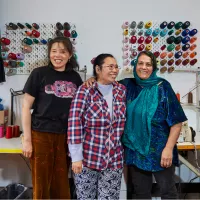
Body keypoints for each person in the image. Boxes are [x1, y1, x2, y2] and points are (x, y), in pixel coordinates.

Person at [85, 51, 187, 199]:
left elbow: (176, 122)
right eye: (140, 63)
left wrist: (168, 149)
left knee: (168, 192)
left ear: (153, 67)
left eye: (148, 64)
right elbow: (105, 82)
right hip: (135, 151)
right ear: (135, 65)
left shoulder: (163, 87)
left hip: (160, 151)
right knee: (140, 193)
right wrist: (93, 79)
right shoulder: (127, 85)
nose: (143, 67)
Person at [22, 36, 83, 199]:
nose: (58, 55)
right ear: (49, 54)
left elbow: (80, 108)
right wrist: (27, 139)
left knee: (61, 183)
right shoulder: (39, 74)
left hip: (65, 137)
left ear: (69, 54)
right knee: (42, 184)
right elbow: (25, 106)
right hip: (41, 134)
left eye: (62, 51)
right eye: (54, 51)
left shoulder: (75, 78)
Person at [67, 53, 126, 199]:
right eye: (110, 66)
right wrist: (76, 157)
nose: (114, 70)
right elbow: (75, 123)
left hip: (114, 159)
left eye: (116, 67)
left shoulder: (121, 90)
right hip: (88, 158)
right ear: (98, 69)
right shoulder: (85, 90)